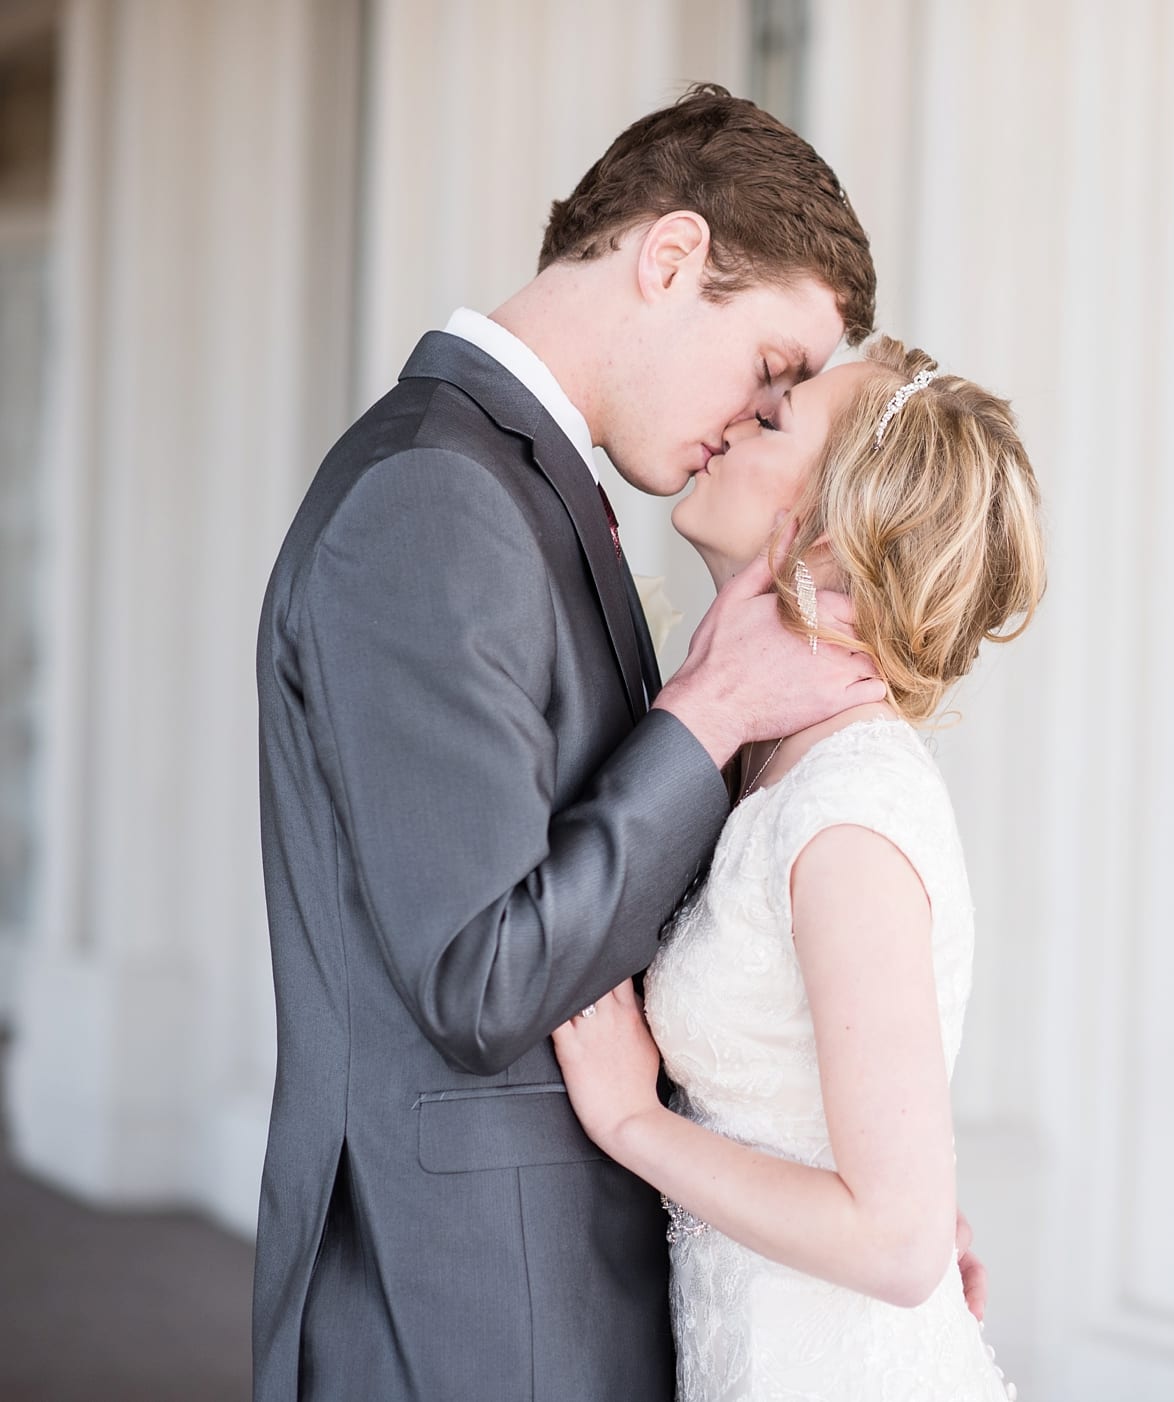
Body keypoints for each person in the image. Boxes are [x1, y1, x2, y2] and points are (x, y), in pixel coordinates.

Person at [253, 86, 984, 1402]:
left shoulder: (523, 491)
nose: (757, 416)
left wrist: (865, 1166)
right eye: (770, 371)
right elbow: (482, 977)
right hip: (471, 1315)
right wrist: (697, 718)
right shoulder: (437, 498)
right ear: (671, 259)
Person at [550, 334, 1044, 1400]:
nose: (731, 417)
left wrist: (635, 1122)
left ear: (837, 533)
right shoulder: (770, 765)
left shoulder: (849, 805)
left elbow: (900, 1245)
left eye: (773, 418)